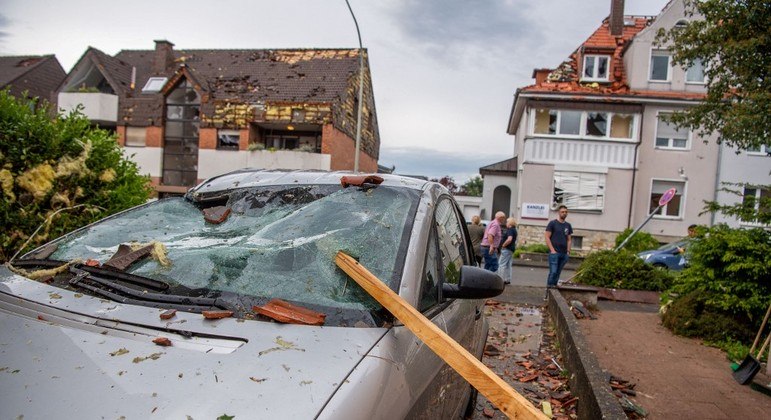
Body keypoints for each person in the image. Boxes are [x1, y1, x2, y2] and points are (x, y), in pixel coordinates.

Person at [545, 205, 573, 288]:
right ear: (559, 213)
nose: (564, 213)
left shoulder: (568, 225)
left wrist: (568, 251)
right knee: (553, 272)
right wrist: (552, 250)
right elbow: (547, 237)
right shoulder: (553, 223)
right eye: (562, 212)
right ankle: (548, 290)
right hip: (554, 253)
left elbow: (569, 239)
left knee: (558, 272)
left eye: (566, 212)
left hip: (564, 253)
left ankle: (554, 289)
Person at [497, 217, 518, 285]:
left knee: (501, 264)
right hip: (511, 249)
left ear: (510, 223)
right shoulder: (514, 230)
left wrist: (503, 245)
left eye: (507, 222)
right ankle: (507, 279)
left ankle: (500, 279)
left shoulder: (510, 230)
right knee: (509, 265)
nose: (506, 223)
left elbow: (509, 239)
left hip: (507, 249)